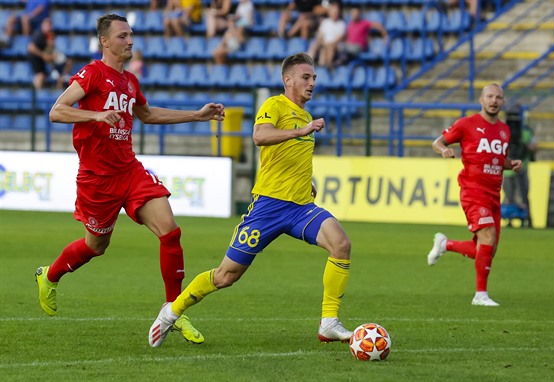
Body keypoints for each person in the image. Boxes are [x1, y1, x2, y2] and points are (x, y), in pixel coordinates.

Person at [34, 14, 225, 345]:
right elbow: (57, 110)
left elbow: (148, 116)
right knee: (97, 246)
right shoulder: (92, 74)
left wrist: (197, 114)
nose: (130, 41)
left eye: (131, 35)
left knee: (170, 231)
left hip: (130, 171)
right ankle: (49, 276)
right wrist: (94, 114)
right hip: (97, 179)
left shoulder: (130, 82)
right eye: (123, 36)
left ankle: (172, 310)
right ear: (105, 42)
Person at [148, 52, 353, 348]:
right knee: (225, 276)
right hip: (268, 207)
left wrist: (306, 180)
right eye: (306, 77)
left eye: (314, 78)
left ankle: (329, 322)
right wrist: (300, 131)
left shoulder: (306, 116)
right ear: (288, 80)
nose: (312, 83)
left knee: (341, 244)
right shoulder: (274, 105)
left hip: (299, 208)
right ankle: (171, 312)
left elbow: (287, 154)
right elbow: (260, 136)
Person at [426, 83, 523, 307]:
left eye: (498, 97)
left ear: (503, 102)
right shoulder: (466, 124)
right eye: (490, 96)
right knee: (487, 238)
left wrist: (512, 164)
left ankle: (446, 244)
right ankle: (480, 295)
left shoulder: (504, 130)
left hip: (493, 193)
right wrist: (444, 150)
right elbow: (437, 142)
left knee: (487, 248)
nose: (494, 101)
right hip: (473, 190)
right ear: (481, 100)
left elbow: (499, 159)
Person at [502, 104, 537, 228]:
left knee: (514, 195)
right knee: (520, 195)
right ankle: (524, 220)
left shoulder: (504, 131)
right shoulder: (526, 132)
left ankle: (516, 219)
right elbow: (533, 147)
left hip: (513, 169)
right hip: (516, 168)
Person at [27, 17, 72, 89]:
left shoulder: (48, 35)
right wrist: (43, 55)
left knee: (44, 74)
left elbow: (50, 47)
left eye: (50, 25)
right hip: (35, 57)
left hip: (42, 58)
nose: (49, 27)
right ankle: (35, 95)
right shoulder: (39, 34)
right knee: (40, 75)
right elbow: (31, 47)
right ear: (42, 25)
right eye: (47, 25)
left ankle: (39, 93)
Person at [212, 0, 254, 64]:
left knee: (221, 53)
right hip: (230, 46)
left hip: (236, 47)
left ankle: (222, 68)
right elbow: (223, 43)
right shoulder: (228, 32)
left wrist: (233, 29)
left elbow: (241, 40)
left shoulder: (240, 28)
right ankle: (220, 69)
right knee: (217, 52)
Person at [306, 3, 345, 69]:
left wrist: (327, 43)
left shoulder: (342, 24)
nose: (334, 14)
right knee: (315, 44)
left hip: (334, 45)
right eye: (333, 12)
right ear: (329, 13)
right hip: (324, 42)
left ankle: (327, 65)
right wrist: (321, 41)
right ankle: (307, 63)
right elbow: (320, 34)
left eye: (336, 12)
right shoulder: (325, 22)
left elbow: (339, 38)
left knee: (328, 47)